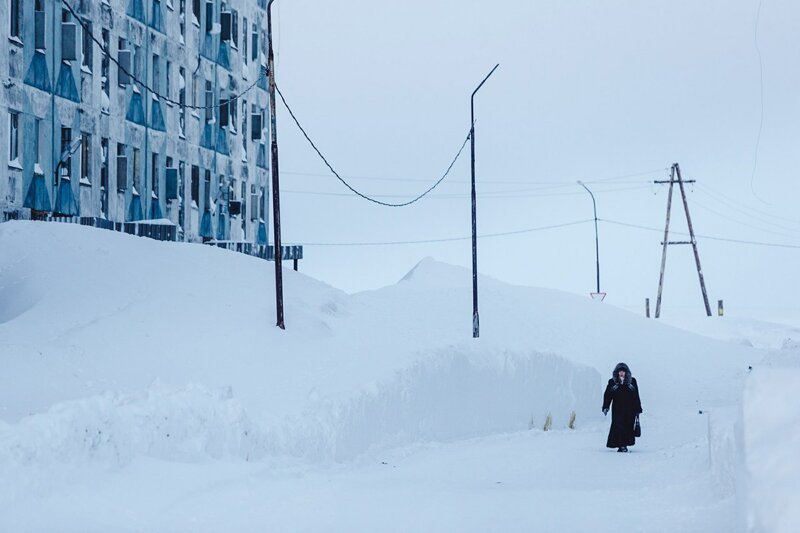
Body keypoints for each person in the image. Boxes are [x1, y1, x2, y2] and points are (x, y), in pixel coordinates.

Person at [602, 362, 642, 452]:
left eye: (623, 371)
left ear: (626, 372)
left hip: (630, 410)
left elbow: (636, 395)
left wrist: (638, 408)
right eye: (620, 371)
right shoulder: (612, 382)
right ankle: (621, 446)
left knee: (628, 427)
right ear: (617, 372)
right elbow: (607, 395)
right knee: (618, 426)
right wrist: (606, 406)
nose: (621, 373)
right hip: (617, 410)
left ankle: (624, 445)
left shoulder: (632, 381)